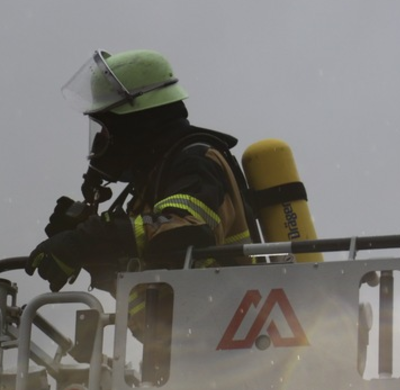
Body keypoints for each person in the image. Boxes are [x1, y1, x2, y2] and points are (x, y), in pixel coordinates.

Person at [27, 49, 255, 294]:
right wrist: (84, 251)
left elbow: (186, 230)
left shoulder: (196, 160)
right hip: (195, 316)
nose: (102, 139)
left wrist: (85, 240)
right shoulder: (154, 181)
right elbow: (141, 278)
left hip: (224, 313)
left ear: (137, 121)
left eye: (107, 128)